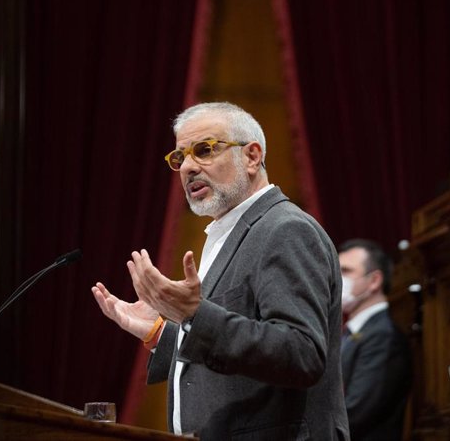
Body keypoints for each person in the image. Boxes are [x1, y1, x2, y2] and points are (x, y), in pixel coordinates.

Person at [91, 102, 349, 440]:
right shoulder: (228, 232)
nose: (188, 168)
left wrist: (194, 316)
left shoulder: (284, 229)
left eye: (204, 150)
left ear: (252, 156)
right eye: (180, 158)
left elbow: (300, 353)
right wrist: (160, 332)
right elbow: (236, 360)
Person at [338, 238, 412, 441]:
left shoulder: (383, 336)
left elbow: (355, 414)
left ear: (374, 281)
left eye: (345, 271)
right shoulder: (352, 333)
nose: (336, 280)